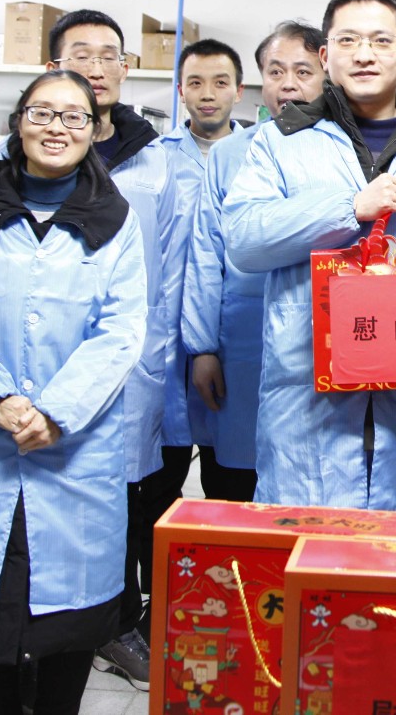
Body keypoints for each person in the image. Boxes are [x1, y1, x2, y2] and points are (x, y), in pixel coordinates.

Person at [0, 70, 147, 715]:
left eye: (74, 116)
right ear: (19, 123)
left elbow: (121, 331)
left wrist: (57, 412)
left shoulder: (116, 223)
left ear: (93, 130)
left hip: (73, 450)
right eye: (42, 113)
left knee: (67, 624)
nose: (56, 128)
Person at [0, 9, 184, 689]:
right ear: (52, 68)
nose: (96, 67)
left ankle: (104, 633)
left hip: (119, 370)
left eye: (109, 55)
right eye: (80, 54)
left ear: (125, 68)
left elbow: (170, 274)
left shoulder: (156, 160)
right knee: (24, 518)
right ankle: (21, 651)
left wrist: (156, 359)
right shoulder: (0, 163)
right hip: (21, 374)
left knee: (107, 516)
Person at [224, 0, 396, 511]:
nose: (365, 54)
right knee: (305, 545)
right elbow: (244, 240)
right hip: (305, 397)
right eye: (348, 40)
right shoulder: (281, 141)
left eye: (381, 41)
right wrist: (349, 210)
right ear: (326, 56)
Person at [182, 21, 326, 503]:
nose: (289, 85)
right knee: (236, 481)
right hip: (243, 341)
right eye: (276, 72)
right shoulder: (229, 155)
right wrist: (203, 348)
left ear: (326, 75)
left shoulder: (345, 151)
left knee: (311, 480)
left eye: (303, 71)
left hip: (319, 341)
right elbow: (206, 254)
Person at [158, 38, 248, 501]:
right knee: (160, 478)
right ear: (180, 90)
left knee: (229, 479)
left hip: (233, 332)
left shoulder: (261, 157)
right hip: (166, 335)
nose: (207, 94)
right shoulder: (155, 158)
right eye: (195, 83)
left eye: (220, 82)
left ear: (239, 90)